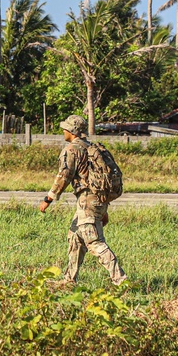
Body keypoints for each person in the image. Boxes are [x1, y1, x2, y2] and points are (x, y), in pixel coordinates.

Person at [38, 114, 127, 286]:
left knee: (94, 242)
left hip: (88, 201)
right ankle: (69, 280)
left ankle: (120, 280)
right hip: (95, 200)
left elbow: (64, 176)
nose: (63, 130)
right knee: (75, 238)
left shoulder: (72, 149)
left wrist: (48, 198)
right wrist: (103, 208)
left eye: (65, 128)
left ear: (72, 131)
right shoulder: (92, 147)